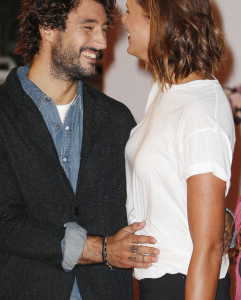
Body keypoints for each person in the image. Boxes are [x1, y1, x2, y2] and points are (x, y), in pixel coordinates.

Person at [0, 0, 161, 299]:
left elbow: (146, 195)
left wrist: (209, 214)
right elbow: (4, 223)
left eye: (104, 29)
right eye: (88, 27)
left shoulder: (116, 118)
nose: (102, 42)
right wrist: (101, 250)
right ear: (48, 28)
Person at [122, 0, 236, 299]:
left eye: (130, 12)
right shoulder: (165, 89)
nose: (123, 21)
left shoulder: (201, 112)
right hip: (157, 283)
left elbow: (209, 248)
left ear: (159, 22)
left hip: (184, 284)